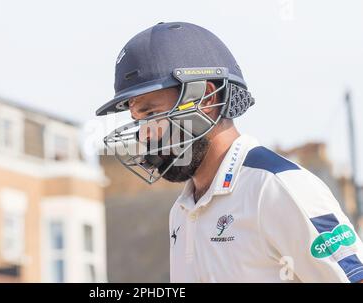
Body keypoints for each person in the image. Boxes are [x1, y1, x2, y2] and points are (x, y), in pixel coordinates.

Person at [95, 21, 363, 282]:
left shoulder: (277, 188)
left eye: (151, 114)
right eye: (138, 120)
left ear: (206, 99)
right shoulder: (181, 211)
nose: (146, 134)